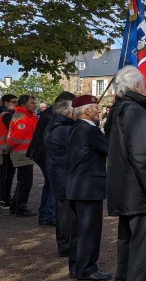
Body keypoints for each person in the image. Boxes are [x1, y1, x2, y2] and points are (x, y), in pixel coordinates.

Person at [104, 67, 146, 281]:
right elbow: (142, 155)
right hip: (140, 191)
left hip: (127, 189)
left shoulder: (120, 109)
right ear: (135, 86)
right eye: (144, 84)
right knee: (142, 249)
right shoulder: (135, 110)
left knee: (127, 245)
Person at [66, 95, 111, 280]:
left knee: (79, 232)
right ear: (87, 111)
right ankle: (88, 270)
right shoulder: (89, 130)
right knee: (89, 232)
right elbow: (110, 148)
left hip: (78, 186)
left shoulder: (76, 128)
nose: (99, 111)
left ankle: (77, 267)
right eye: (96, 108)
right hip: (89, 187)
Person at [28, 91, 76, 225]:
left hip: (40, 151)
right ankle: (48, 215)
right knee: (53, 183)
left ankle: (44, 214)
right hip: (44, 152)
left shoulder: (50, 111)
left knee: (50, 184)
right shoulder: (54, 113)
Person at [44, 100, 75, 259]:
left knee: (63, 211)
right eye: (73, 108)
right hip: (63, 174)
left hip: (59, 172)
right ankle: (65, 246)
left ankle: (65, 244)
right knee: (65, 213)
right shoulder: (65, 129)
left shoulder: (55, 125)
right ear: (66, 112)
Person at [7, 95, 38, 217]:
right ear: (24, 104)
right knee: (25, 182)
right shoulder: (22, 118)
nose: (34, 105)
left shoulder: (23, 116)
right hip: (22, 153)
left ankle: (15, 206)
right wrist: (8, 149)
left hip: (22, 153)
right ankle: (20, 208)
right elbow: (16, 138)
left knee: (22, 181)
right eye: (31, 103)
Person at [0, 94, 18, 209]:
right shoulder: (7, 114)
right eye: (14, 101)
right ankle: (5, 198)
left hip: (4, 147)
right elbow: (14, 130)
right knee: (7, 174)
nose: (16, 104)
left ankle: (4, 197)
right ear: (6, 102)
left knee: (5, 174)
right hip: (6, 148)